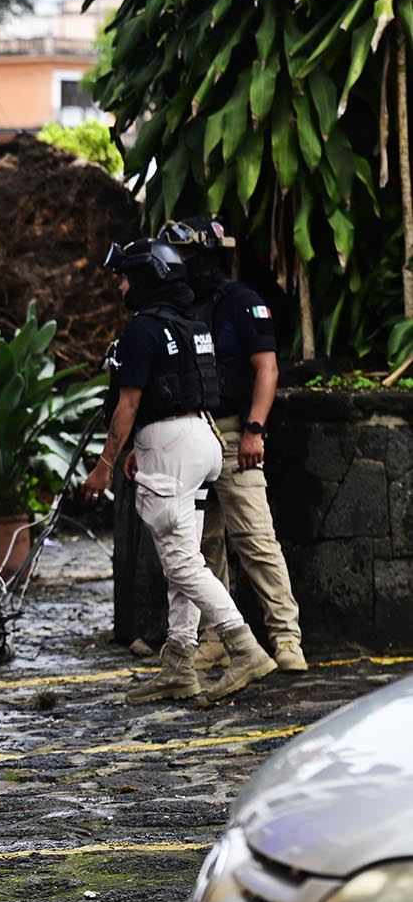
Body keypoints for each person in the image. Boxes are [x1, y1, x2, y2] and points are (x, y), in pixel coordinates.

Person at [80, 237, 277, 703]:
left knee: (182, 562)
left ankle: (244, 647)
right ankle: (179, 665)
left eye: (126, 277)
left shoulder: (142, 331)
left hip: (171, 451)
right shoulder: (192, 325)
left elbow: (128, 403)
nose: (122, 286)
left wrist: (104, 465)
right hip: (203, 442)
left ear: (146, 279)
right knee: (184, 558)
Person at [159, 216, 308, 673]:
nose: (180, 263)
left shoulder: (241, 301)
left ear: (206, 254)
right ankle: (217, 641)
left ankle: (286, 640)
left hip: (233, 436)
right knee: (204, 547)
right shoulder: (182, 307)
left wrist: (255, 429)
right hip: (193, 438)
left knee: (257, 541)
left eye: (187, 253)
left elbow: (267, 368)